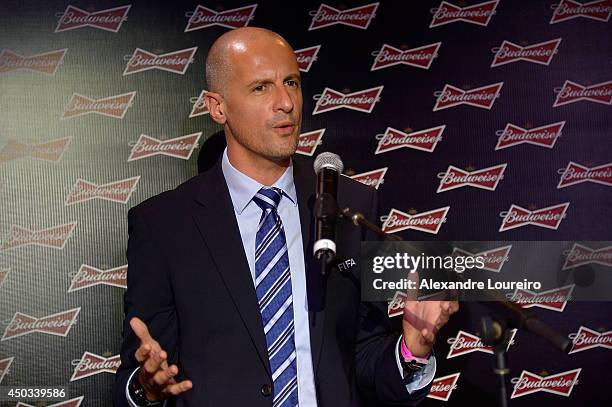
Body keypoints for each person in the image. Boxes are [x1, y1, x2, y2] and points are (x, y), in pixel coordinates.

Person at [113, 27, 458, 407]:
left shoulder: (350, 206)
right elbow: (137, 373)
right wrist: (146, 387)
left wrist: (413, 349)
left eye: (291, 82)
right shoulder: (162, 225)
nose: (286, 103)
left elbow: (365, 357)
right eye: (261, 88)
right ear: (217, 107)